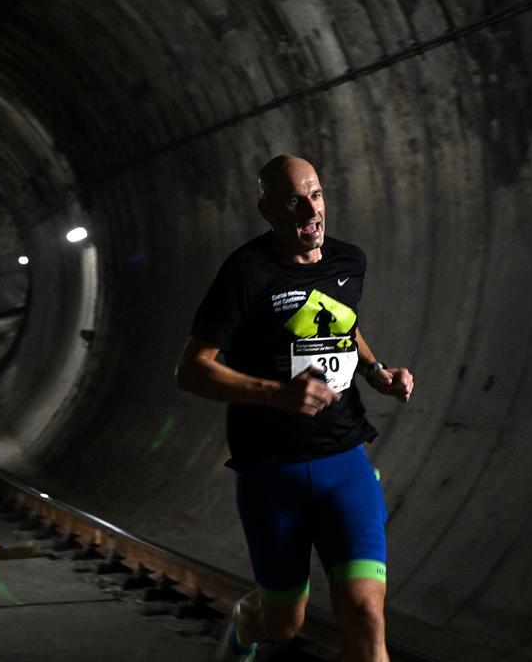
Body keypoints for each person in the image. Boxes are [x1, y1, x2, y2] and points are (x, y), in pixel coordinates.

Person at [175, 155, 414, 662]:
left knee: (366, 614)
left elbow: (343, 326)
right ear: (268, 210)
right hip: (271, 473)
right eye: (294, 199)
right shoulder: (246, 271)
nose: (311, 209)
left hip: (344, 460)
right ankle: (245, 623)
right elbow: (192, 370)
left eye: (317, 194)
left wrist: (376, 373)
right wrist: (275, 394)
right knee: (283, 622)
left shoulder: (350, 262)